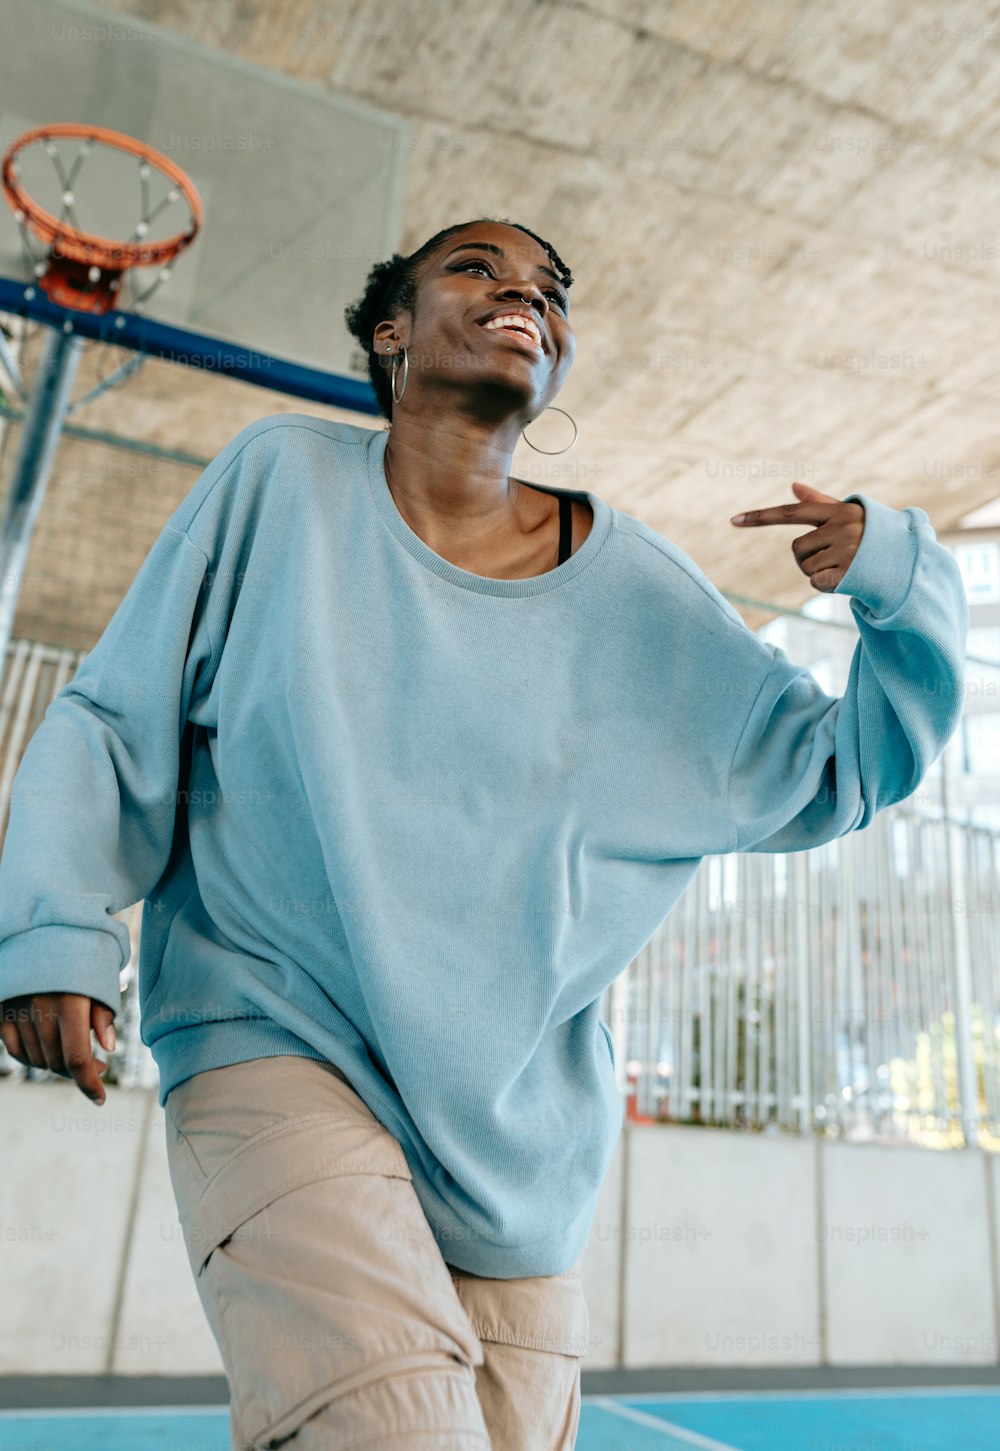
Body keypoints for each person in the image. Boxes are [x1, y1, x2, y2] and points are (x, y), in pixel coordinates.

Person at [0, 216, 968, 1449]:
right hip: (275, 1040)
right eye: (477, 268)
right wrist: (52, 927)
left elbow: (843, 768)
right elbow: (112, 723)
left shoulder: (639, 597)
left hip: (517, 1152)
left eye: (547, 291)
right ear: (389, 330)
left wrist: (900, 579)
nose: (523, 294)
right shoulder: (275, 484)